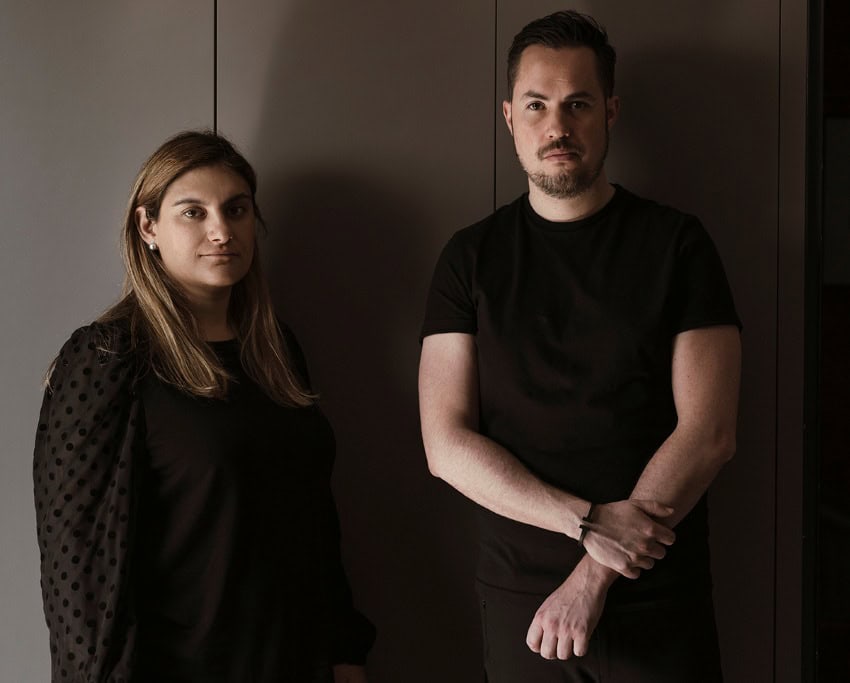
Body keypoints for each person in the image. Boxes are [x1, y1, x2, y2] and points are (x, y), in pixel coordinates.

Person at [418, 10, 741, 683]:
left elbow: (709, 433)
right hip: (522, 603)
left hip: (657, 595)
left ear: (610, 111)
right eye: (537, 105)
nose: (556, 126)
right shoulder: (469, 259)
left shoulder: (678, 245)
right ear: (510, 116)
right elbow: (445, 444)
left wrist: (593, 574)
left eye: (577, 104)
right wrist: (588, 521)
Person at [33, 131, 374, 682]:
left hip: (294, 664)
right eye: (193, 212)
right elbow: (77, 569)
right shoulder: (107, 358)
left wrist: (345, 654)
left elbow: (315, 523)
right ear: (148, 227)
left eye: (236, 210)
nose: (222, 231)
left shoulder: (275, 350)